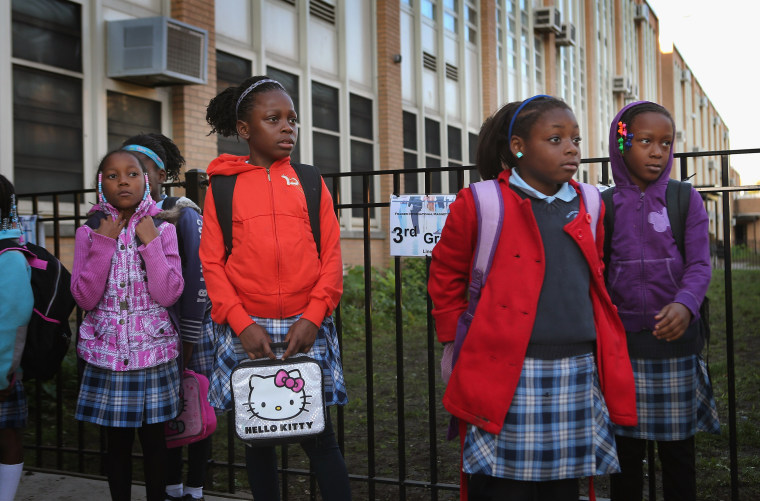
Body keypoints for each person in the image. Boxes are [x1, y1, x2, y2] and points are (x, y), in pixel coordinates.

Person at [428, 95, 637, 501]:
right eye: (556, 139)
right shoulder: (481, 202)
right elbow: (447, 273)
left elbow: (597, 273)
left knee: (562, 487)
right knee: (506, 489)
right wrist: (455, 340)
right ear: (519, 147)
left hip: (576, 366)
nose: (572, 148)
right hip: (506, 368)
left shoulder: (591, 202)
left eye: (575, 138)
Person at [200, 76, 350, 500]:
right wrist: (242, 323)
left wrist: (314, 315)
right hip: (249, 331)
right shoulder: (223, 187)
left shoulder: (308, 180)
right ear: (244, 130)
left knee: (320, 438)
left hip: (308, 325)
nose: (288, 128)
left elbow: (332, 257)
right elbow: (212, 263)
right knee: (258, 439)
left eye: (292, 119)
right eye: (274, 119)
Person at [605, 101, 719, 501]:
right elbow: (596, 274)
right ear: (622, 143)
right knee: (625, 458)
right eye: (645, 141)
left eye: (666, 143)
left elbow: (700, 264)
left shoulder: (685, 199)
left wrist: (686, 304)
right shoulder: (602, 206)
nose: (658, 151)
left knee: (678, 457)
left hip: (675, 347)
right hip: (622, 352)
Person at [71, 150, 184, 501]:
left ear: (146, 180)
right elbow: (85, 299)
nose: (123, 181)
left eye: (132, 174)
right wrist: (103, 242)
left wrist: (150, 243)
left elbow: (169, 294)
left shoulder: (163, 229)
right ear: (100, 184)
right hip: (107, 356)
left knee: (155, 445)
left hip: (153, 355)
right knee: (116, 447)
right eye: (112, 175)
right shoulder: (88, 233)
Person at [120, 134, 214, 501]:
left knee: (196, 405)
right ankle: (171, 484)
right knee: (160, 414)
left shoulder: (183, 212)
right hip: (145, 339)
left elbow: (200, 275)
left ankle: (195, 486)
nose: (130, 178)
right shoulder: (116, 214)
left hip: (189, 331)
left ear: (161, 174)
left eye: (140, 170)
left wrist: (189, 338)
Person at [0, 175, 34, 501]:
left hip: (2, 374)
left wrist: (2, 376)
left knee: (7, 436)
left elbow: (14, 320)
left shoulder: (8, 256)